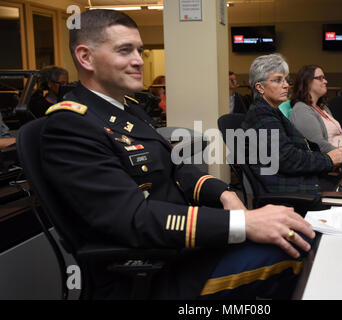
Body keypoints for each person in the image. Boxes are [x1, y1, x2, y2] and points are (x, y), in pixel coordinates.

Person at [39, 9, 315, 299]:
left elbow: (177, 168)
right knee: (298, 252)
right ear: (86, 57)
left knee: (297, 237)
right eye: (124, 51)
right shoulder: (70, 125)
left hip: (183, 250)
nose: (138, 60)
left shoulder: (128, 109)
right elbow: (134, 218)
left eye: (139, 50)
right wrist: (244, 224)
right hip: (156, 272)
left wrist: (225, 194)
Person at [240, 54, 342, 203]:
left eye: (286, 80)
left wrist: (327, 163)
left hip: (296, 182)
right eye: (278, 80)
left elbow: (298, 148)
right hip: (289, 191)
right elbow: (288, 159)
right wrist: (328, 160)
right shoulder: (261, 115)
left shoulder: (271, 110)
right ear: (260, 87)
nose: (285, 85)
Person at [288, 65, 342, 155]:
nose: (325, 81)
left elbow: (340, 134)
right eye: (320, 78)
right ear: (307, 82)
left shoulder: (323, 108)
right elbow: (318, 144)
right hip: (336, 164)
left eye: (324, 78)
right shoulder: (301, 110)